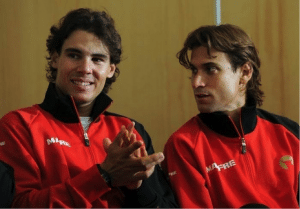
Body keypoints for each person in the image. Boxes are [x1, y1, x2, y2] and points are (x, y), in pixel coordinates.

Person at [0, 8, 177, 208]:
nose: (85, 68)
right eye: (74, 55)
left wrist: (136, 187)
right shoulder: (18, 125)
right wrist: (104, 176)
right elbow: (18, 204)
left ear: (110, 69)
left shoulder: (130, 131)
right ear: (55, 59)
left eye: (97, 59)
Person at [162, 24, 300, 208]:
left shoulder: (289, 133)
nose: (196, 82)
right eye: (194, 70)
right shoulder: (183, 144)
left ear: (245, 72)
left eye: (210, 69)